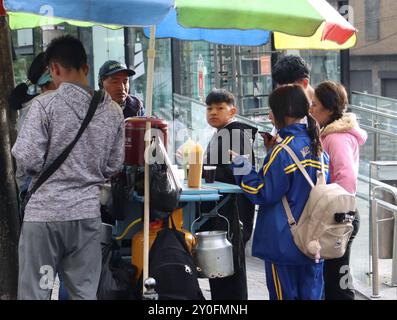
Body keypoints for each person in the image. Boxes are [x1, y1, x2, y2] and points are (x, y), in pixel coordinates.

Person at [12, 35, 125, 300]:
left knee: (36, 292)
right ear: (86, 68)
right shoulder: (113, 112)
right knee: (83, 293)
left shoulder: (44, 105)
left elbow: (27, 160)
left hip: (44, 220)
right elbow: (114, 165)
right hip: (86, 217)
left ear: (53, 69)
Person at [231, 85, 330, 300]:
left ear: (282, 114)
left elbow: (261, 192)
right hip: (314, 243)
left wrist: (240, 165)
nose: (269, 115)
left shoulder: (282, 152)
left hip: (284, 244)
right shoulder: (318, 148)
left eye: (271, 110)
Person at [310, 80, 367, 300]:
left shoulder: (336, 137)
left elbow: (346, 176)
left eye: (314, 105)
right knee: (334, 276)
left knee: (336, 281)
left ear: (329, 109)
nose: (311, 109)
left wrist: (336, 213)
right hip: (339, 213)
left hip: (340, 215)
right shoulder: (329, 133)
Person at [200, 88, 257, 300]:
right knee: (221, 269)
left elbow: (242, 177)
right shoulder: (222, 134)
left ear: (232, 111)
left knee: (230, 271)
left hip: (233, 215)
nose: (213, 112)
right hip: (223, 213)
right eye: (209, 108)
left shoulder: (235, 135)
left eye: (220, 108)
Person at [9, 52, 56, 197]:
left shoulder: (33, 105)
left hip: (32, 187)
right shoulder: (41, 107)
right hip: (39, 190)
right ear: (54, 72)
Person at [263, 55, 315, 148]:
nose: (283, 97)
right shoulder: (284, 108)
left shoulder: (322, 112)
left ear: (304, 83)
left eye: (287, 91)